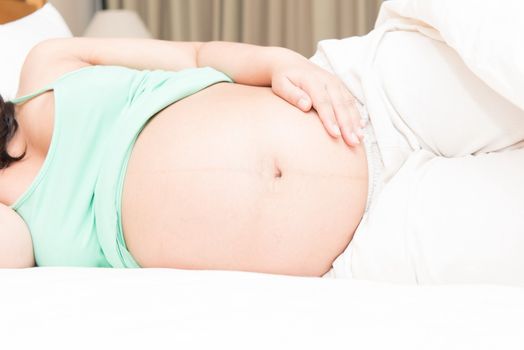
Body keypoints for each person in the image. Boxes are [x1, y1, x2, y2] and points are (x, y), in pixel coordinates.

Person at [0, 38, 368, 274]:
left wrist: (281, 63)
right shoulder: (10, 216)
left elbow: (194, 55)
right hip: (363, 250)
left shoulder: (47, 62)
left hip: (350, 100)